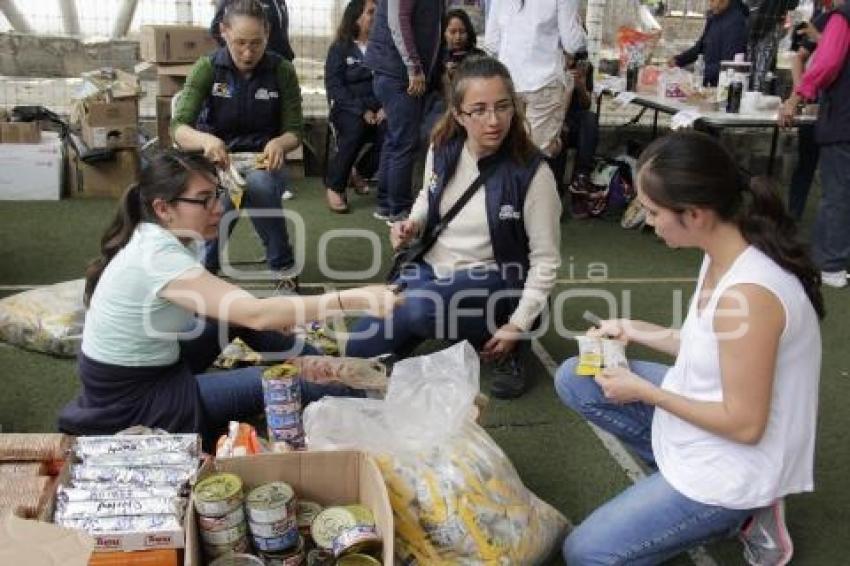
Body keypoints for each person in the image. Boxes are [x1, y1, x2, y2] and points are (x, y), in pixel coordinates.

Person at [556, 131, 823, 565]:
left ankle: (744, 511)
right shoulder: (724, 245)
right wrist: (634, 328)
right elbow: (706, 346)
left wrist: (644, 392)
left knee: (587, 553)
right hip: (714, 415)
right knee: (578, 375)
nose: (647, 220)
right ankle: (677, 484)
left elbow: (744, 426)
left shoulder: (750, 294)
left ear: (695, 213)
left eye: (654, 211)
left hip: (739, 461)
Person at [57, 151, 398, 450]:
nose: (218, 207)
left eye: (217, 194)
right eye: (203, 199)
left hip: (151, 369)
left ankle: (334, 372)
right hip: (136, 398)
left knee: (237, 317)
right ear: (164, 208)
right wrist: (356, 298)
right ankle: (380, 409)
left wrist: (269, 316)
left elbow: (239, 307)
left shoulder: (166, 235)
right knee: (277, 381)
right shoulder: (157, 254)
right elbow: (257, 314)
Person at [345, 56, 562, 400]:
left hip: (496, 282)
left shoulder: (533, 173)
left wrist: (518, 324)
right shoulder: (443, 145)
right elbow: (426, 197)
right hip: (430, 272)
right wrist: (412, 224)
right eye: (479, 110)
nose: (494, 120)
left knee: (419, 308)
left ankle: (509, 344)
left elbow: (546, 261)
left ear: (515, 108)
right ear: (459, 114)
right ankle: (446, 327)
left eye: (503, 107)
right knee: (357, 348)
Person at [173, 0, 302, 284]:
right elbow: (178, 128)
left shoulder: (281, 70)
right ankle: (207, 267)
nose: (248, 52)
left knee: (259, 184)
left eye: (256, 43)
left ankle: (281, 264)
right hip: (217, 161)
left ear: (268, 33)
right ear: (224, 31)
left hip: (264, 161)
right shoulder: (207, 68)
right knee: (225, 196)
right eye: (240, 42)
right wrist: (206, 141)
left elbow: (295, 130)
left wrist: (280, 144)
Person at [780, 0, 850, 288]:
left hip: (842, 118)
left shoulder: (841, 16)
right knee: (840, 193)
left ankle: (830, 263)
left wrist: (798, 96)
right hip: (842, 118)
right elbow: (827, 59)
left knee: (839, 193)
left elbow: (828, 62)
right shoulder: (836, 17)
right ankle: (832, 262)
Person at [365, 0, 446, 223]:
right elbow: (398, 19)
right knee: (404, 142)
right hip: (399, 73)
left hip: (395, 71)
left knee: (395, 139)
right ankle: (399, 209)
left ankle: (386, 203)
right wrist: (414, 67)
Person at [485, 0, 586, 158]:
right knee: (536, 155)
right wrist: (582, 36)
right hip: (545, 82)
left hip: (508, 83)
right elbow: (573, 44)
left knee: (507, 150)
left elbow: (491, 42)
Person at [324, 0, 384, 214]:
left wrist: (386, 107)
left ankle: (359, 170)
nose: (376, 16)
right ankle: (335, 186)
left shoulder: (383, 47)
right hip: (347, 108)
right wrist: (362, 111)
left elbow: (393, 79)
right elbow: (334, 86)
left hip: (380, 109)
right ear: (356, 17)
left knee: (393, 131)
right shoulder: (340, 48)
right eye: (371, 12)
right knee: (355, 129)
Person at [784, 8, 829, 220]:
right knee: (806, 164)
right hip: (817, 103)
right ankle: (792, 219)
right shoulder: (825, 18)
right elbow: (798, 59)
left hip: (838, 107)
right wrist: (800, 93)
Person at [421, 8, 486, 144]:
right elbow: (429, 86)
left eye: (462, 32)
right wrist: (445, 74)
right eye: (452, 32)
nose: (457, 37)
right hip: (440, 106)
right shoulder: (435, 57)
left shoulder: (478, 56)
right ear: (443, 33)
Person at [550, 49, 599, 207]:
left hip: (575, 119)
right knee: (560, 132)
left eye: (572, 55)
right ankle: (555, 193)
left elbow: (586, 104)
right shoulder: (547, 66)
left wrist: (580, 85)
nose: (569, 60)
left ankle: (581, 176)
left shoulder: (584, 67)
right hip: (551, 116)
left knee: (590, 118)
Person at [668, 0, 750, 86]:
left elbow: (728, 65)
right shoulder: (714, 16)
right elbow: (700, 47)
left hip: (721, 87)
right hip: (706, 81)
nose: (710, 4)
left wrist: (695, 73)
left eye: (713, 0)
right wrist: (678, 60)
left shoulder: (736, 22)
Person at [211, 0, 294, 62]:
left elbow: (281, 31)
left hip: (280, 62)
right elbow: (217, 29)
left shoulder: (279, 2)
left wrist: (287, 55)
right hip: (256, 65)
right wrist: (240, 53)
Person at [747, 0, 799, 91]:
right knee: (757, 79)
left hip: (759, 25)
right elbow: (792, 5)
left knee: (747, 76)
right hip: (770, 26)